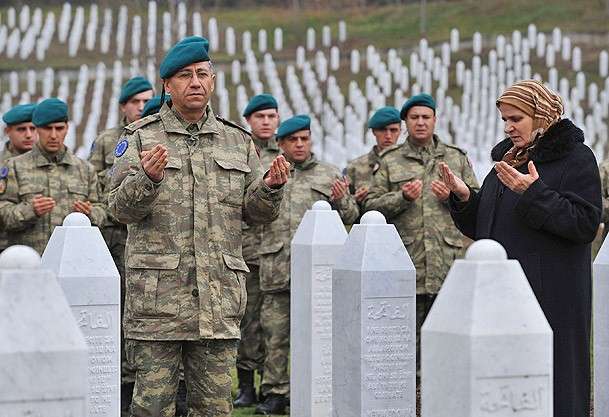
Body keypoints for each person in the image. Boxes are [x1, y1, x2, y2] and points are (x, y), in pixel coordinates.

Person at [107, 36, 290, 417]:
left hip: (217, 303)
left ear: (213, 81)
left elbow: (256, 214)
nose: (195, 82)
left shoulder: (237, 141)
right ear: (167, 85)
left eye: (202, 74)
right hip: (159, 305)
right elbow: (120, 210)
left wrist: (270, 188)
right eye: (185, 75)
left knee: (214, 409)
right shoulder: (140, 137)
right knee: (153, 408)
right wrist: (147, 179)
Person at [441, 80, 601, 417]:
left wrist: (534, 193)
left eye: (516, 119)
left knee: (554, 386)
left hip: (552, 296)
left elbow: (585, 223)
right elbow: (486, 229)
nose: (508, 127)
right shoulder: (510, 160)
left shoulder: (576, 158)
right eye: (505, 120)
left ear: (541, 115)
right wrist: (465, 198)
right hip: (505, 294)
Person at [363, 93, 479, 374]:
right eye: (414, 117)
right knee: (404, 344)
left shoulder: (455, 157)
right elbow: (370, 208)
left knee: (448, 339)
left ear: (435, 120)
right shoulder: (390, 160)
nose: (421, 122)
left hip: (446, 263)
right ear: (405, 122)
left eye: (426, 117)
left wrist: (453, 196)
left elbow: (477, 201)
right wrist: (401, 197)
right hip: (406, 263)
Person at [255, 114, 358, 415]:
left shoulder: (329, 174)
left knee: (320, 334)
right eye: (293, 140)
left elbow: (350, 216)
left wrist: (343, 200)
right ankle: (275, 392)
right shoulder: (266, 171)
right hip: (278, 267)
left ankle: (319, 388)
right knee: (274, 335)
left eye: (305, 138)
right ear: (280, 143)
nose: (300, 144)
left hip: (318, 276)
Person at [88, 75, 154, 412]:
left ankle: (141, 381)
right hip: (115, 235)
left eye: (146, 101)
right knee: (118, 308)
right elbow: (93, 183)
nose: (141, 107)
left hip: (148, 233)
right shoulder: (107, 141)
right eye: (135, 102)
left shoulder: (155, 134)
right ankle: (119, 381)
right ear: (123, 107)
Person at [0, 98, 105, 255]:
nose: (54, 135)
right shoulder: (14, 167)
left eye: (59, 128)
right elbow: (3, 215)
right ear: (37, 129)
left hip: (72, 258)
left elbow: (102, 212)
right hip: (31, 259)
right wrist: (30, 210)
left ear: (67, 128)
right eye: (47, 129)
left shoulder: (85, 169)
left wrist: (89, 214)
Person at [234, 93, 281, 408]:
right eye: (260, 117)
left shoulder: (285, 153)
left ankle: (271, 385)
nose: (266, 122)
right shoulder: (240, 150)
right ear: (249, 120)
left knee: (272, 325)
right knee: (246, 321)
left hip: (278, 254)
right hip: (247, 251)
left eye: (271, 116)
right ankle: (246, 386)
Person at [345, 106, 401, 206]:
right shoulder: (355, 167)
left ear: (400, 131)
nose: (388, 136)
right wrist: (355, 199)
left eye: (393, 130)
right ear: (374, 131)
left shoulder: (409, 164)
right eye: (382, 130)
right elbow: (343, 205)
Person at [0, 103, 38, 252]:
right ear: (7, 131)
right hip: (7, 250)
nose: (28, 135)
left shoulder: (49, 164)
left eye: (33, 128)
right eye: (21, 129)